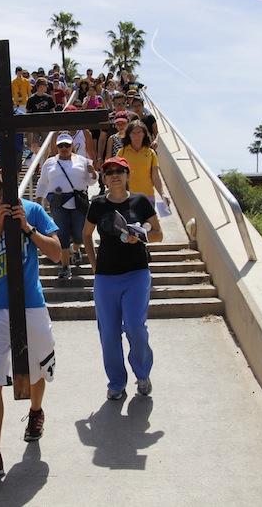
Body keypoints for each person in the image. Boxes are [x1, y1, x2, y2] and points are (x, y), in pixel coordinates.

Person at [0, 159, 61, 477]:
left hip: (30, 302)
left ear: (1, 174)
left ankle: (35, 412)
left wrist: (26, 228)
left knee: (38, 367)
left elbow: (57, 253)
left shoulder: (31, 210)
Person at [82, 156, 163, 400]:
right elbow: (86, 234)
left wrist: (141, 237)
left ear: (128, 175)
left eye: (120, 170)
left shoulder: (140, 201)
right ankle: (116, 382)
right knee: (108, 331)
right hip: (106, 276)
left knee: (135, 326)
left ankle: (143, 373)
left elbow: (158, 234)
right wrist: (94, 265)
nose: (114, 175)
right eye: (109, 172)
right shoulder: (96, 204)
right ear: (104, 179)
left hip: (136, 273)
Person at [36, 132, 97, 277]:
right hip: (58, 202)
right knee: (62, 233)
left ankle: (75, 249)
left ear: (72, 146)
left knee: (79, 233)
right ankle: (65, 266)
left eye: (67, 145)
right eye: (61, 145)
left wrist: (93, 172)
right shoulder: (49, 162)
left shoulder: (83, 161)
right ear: (56, 147)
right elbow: (43, 182)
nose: (64, 148)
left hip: (78, 201)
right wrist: (39, 200)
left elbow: (91, 182)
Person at [116, 120, 171, 208]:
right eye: (133, 133)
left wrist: (162, 194)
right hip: (127, 197)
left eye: (139, 133)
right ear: (129, 135)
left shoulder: (151, 153)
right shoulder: (122, 152)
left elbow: (155, 176)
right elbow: (117, 175)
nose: (136, 136)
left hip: (148, 197)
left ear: (144, 134)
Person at [25, 77, 56, 155]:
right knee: (34, 145)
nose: (47, 87)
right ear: (41, 86)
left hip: (46, 124)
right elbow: (28, 112)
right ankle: (36, 159)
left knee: (46, 145)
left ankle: (44, 162)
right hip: (35, 125)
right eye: (45, 85)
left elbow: (52, 111)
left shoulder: (49, 98)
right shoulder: (31, 99)